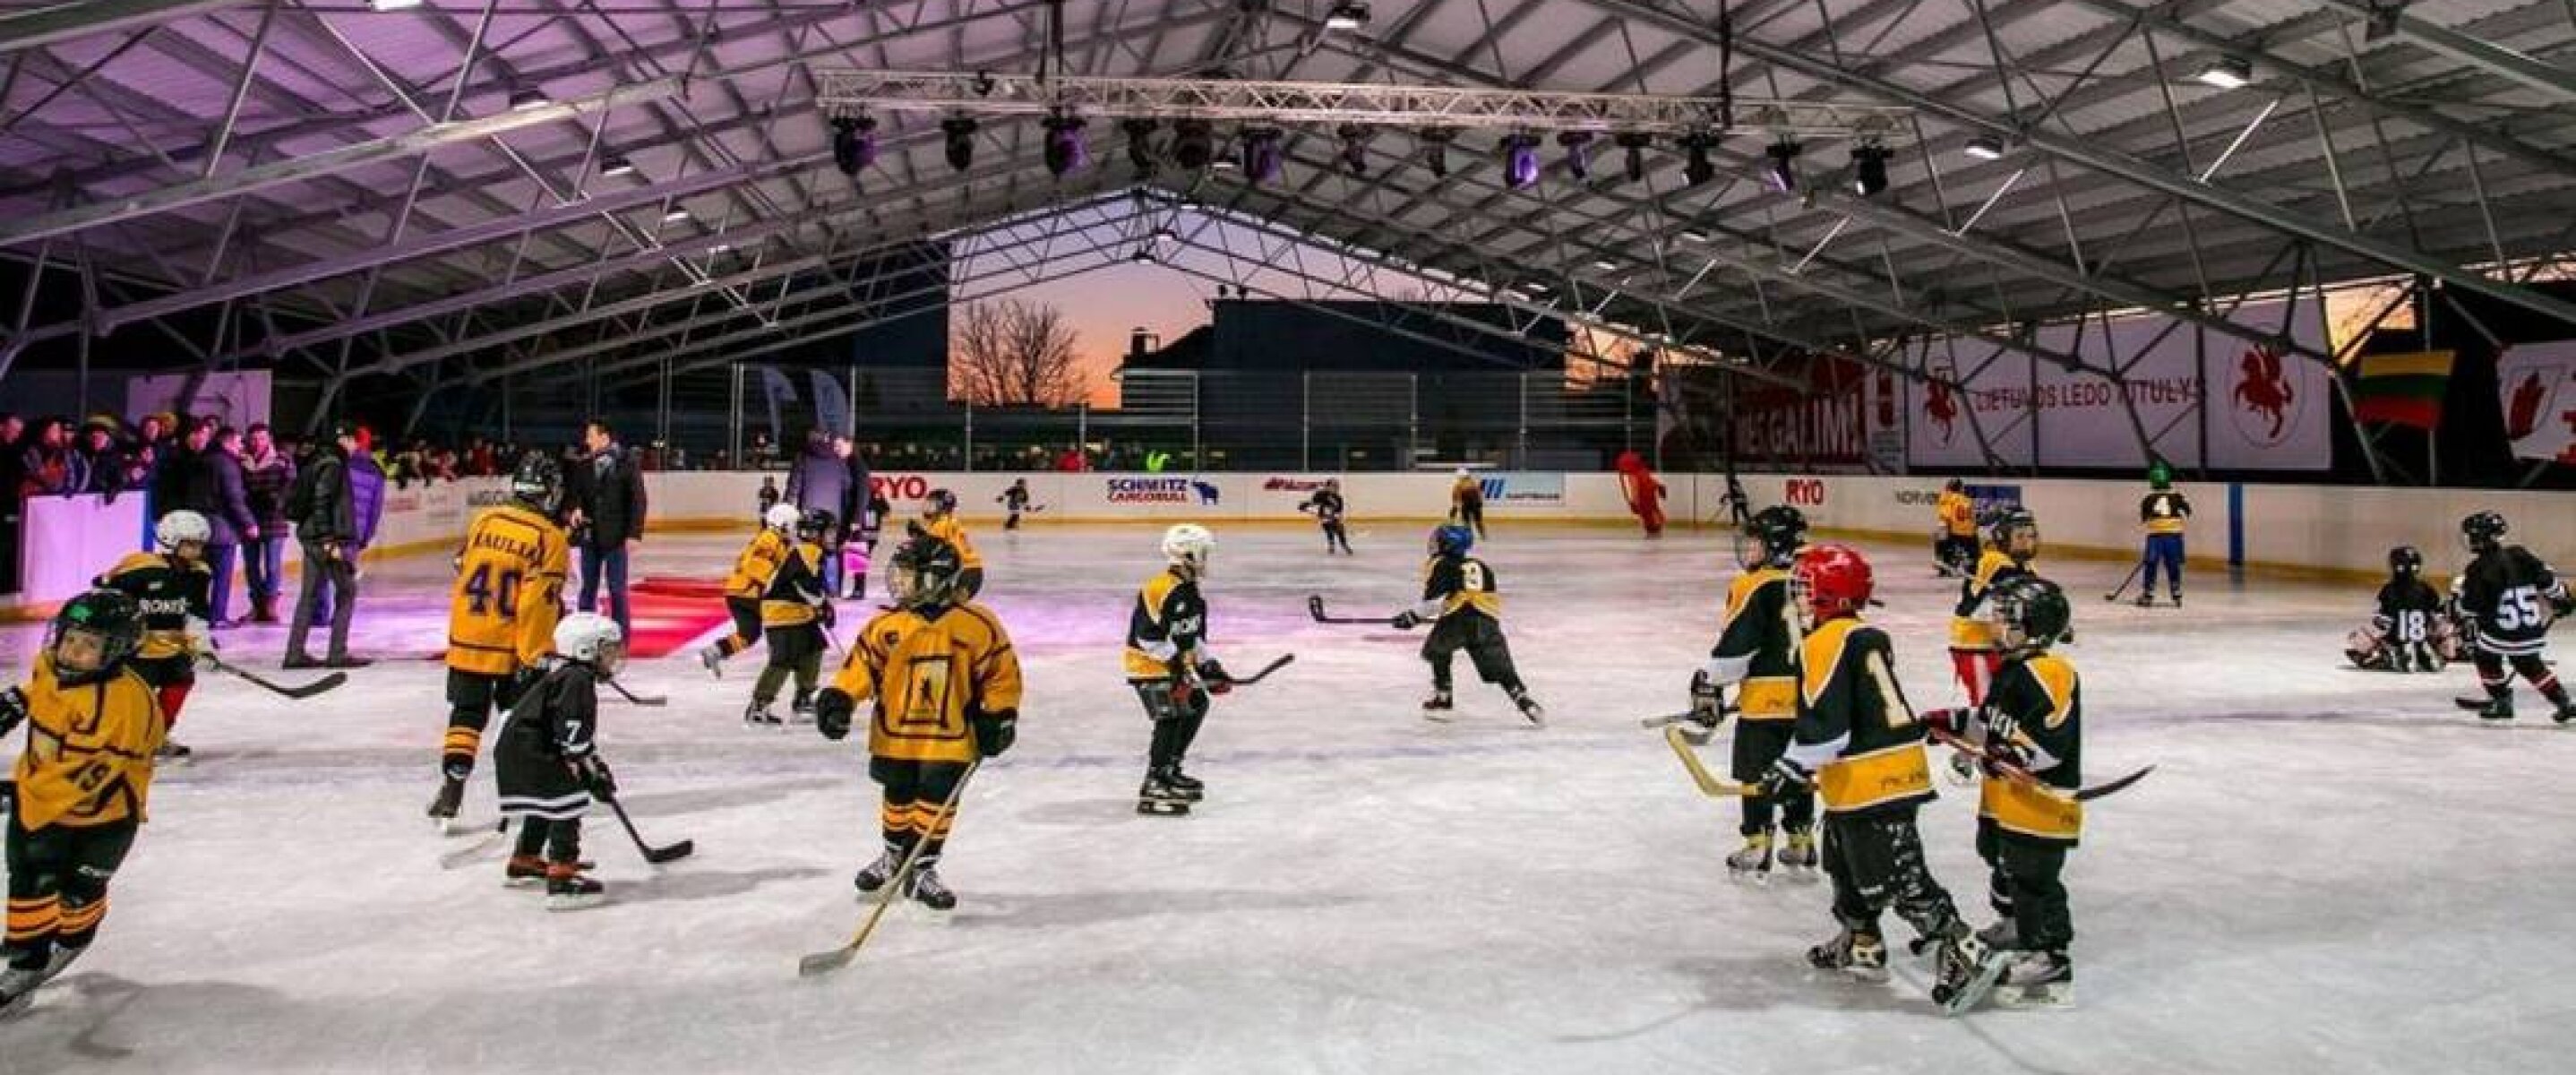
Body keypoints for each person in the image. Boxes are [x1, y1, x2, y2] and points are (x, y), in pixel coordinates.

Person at [1758, 543, 1989, 1004]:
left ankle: (1961, 946)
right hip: (1866, 777)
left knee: (1899, 879)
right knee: (1844, 866)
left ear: (1831, 594)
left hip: (1874, 780)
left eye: (1806, 588)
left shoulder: (1825, 641)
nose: (1799, 598)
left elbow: (1827, 725)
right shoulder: (1861, 635)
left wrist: (1791, 764)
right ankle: (1861, 941)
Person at [811, 534, 1023, 911]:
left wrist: (1000, 715)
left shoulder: (977, 625)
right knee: (898, 794)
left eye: (909, 575)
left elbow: (1001, 674)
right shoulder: (887, 625)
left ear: (936, 579)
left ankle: (922, 867)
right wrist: (841, 698)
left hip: (952, 737)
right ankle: (894, 856)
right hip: (896, 736)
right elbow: (861, 667)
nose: (899, 582)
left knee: (937, 801)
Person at [0, 589, 169, 1016]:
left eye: (89, 645)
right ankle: (27, 955)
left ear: (114, 652)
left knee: (77, 893)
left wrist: (17, 792)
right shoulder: (51, 666)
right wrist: (16, 703)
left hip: (102, 818)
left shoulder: (126, 706)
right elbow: (43, 686)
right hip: (39, 804)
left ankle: (75, 934)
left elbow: (91, 777)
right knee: (29, 876)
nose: (72, 650)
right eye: (70, 637)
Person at [1928, 574, 2084, 1009]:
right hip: (2003, 800)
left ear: (2035, 625)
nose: (1996, 626)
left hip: (2039, 804)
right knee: (1998, 857)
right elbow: (1990, 720)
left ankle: (2049, 956)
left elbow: (2050, 747)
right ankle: (2015, 923)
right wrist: (1949, 722)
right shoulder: (2011, 670)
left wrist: (2012, 756)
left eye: (2007, 619)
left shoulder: (2050, 673)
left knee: (2033, 876)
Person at [428, 453, 571, 826]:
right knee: (521, 721)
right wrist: (536, 654)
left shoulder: (485, 520)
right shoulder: (549, 538)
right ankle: (522, 795)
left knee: (466, 715)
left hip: (467, 635)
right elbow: (535, 604)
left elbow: (462, 565)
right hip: (510, 643)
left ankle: (452, 787)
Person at [1682, 505, 1815, 880]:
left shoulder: (1752, 585)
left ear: (1776, 546)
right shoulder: (1811, 578)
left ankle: (1757, 844)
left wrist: (1710, 682)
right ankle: (1801, 842)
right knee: (1799, 771)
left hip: (1765, 703)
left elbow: (1737, 649)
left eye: (1756, 544)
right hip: (1809, 698)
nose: (1749, 551)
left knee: (1756, 775)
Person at [494, 613, 623, 911]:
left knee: (546, 802)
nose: (612, 657)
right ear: (585, 650)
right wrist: (591, 772)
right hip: (530, 751)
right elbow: (572, 733)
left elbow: (568, 735)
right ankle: (562, 875)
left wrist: (591, 762)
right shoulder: (577, 679)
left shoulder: (567, 673)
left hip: (521, 749)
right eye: (606, 650)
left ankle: (524, 860)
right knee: (568, 801)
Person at [1126, 525, 1232, 816]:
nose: (1207, 559)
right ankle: (1155, 780)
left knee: (1197, 704)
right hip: (1148, 666)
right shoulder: (1161, 588)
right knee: (1172, 715)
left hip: (1171, 666)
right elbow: (1147, 637)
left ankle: (1170, 767)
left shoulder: (1192, 593)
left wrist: (1210, 667)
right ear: (1189, 553)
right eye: (1204, 552)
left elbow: (1192, 638)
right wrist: (1180, 671)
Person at [1394, 523, 1542, 725]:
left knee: (1438, 651)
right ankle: (1524, 700)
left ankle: (1443, 698)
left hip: (1458, 617)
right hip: (1487, 619)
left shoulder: (1441, 563)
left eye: (1438, 540)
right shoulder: (1482, 567)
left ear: (1446, 545)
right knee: (1499, 665)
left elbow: (1432, 602)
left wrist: (1411, 617)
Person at [2451, 512, 2575, 722]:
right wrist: (2563, 600)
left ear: (2479, 538)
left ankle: (2501, 702)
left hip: (2500, 634)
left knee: (2485, 658)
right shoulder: (2520, 555)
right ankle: (2563, 702)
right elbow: (2548, 581)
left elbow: (2472, 607)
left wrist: (2457, 608)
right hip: (2530, 632)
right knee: (2531, 666)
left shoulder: (2478, 568)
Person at [284, 424, 371, 670]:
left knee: (308, 596)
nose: (356, 448)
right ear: (345, 440)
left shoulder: (317, 459)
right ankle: (337, 654)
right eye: (355, 442)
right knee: (347, 591)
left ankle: (294, 654)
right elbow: (322, 501)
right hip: (324, 538)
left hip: (311, 535)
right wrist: (328, 540)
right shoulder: (333, 463)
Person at [743, 509, 832, 727]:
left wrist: (819, 607)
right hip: (782, 614)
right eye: (828, 532)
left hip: (798, 613)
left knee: (814, 646)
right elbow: (802, 582)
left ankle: (803, 699)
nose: (832, 537)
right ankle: (759, 706)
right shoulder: (808, 551)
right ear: (814, 534)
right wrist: (821, 605)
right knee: (783, 659)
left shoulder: (807, 550)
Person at [1949, 506, 2039, 707]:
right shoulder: (1995, 561)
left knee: (2004, 703)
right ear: (2002, 537)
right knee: (1986, 706)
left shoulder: (2025, 565)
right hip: (1974, 645)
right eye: (2020, 536)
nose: (2027, 541)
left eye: (2031, 535)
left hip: (2000, 645)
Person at [700, 503, 801, 680]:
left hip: (741, 593)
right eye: (793, 525)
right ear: (782, 524)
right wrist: (774, 583)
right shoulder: (769, 539)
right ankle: (782, 657)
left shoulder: (776, 540)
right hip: (748, 594)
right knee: (776, 623)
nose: (795, 530)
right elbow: (756, 566)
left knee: (749, 634)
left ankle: (715, 651)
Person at [566, 419, 647, 633]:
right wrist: (575, 509)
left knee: (617, 590)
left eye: (591, 436)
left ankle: (621, 636)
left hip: (617, 537)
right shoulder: (583, 465)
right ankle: (582, 635)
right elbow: (575, 496)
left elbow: (638, 500)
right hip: (590, 536)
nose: (587, 441)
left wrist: (634, 533)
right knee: (587, 589)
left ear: (605, 437)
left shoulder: (627, 463)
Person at [2347, 546, 2451, 673]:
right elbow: (2438, 618)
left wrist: (2372, 642)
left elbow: (2382, 624)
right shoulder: (2427, 589)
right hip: (2422, 640)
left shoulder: (2389, 590)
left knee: (2356, 636)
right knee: (2442, 631)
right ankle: (2425, 653)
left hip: (2397, 642)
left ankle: (2392, 656)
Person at [200, 426, 258, 629]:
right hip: (220, 528)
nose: (242, 446)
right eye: (239, 441)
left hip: (199, 525)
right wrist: (249, 523)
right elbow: (234, 498)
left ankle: (200, 614)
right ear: (228, 442)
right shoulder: (227, 465)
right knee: (222, 575)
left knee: (201, 574)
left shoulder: (204, 460)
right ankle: (218, 616)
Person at [786, 431, 855, 597]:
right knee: (830, 551)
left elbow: (794, 487)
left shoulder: (802, 458)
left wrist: (788, 510)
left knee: (809, 550)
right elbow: (847, 487)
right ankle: (831, 589)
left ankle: (809, 587)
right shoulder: (838, 460)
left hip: (809, 515)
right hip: (833, 514)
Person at [239, 424, 295, 624]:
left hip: (274, 519)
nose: (257, 442)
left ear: (269, 438)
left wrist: (278, 500)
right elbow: (238, 488)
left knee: (272, 564)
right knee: (251, 566)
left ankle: (270, 604)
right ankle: (257, 604)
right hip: (250, 519)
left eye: (261, 438)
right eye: (253, 438)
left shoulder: (282, 459)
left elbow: (291, 485)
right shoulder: (242, 461)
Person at [2135, 465, 2191, 607]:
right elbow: (2188, 511)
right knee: (2173, 564)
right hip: (2174, 536)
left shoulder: (2148, 499)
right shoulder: (2177, 496)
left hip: (2155, 536)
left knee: (2151, 563)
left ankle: (2148, 593)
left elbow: (2144, 519)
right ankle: (2176, 591)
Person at [915, 488, 984, 598]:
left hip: (963, 572)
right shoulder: (949, 521)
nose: (928, 509)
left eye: (932, 505)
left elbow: (930, 548)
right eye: (927, 504)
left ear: (943, 508)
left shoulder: (941, 524)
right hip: (971, 570)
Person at [1297, 479, 1353, 555]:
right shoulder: (1321, 494)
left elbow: (1339, 511)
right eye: (1334, 486)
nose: (1337, 488)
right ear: (1328, 486)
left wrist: (1337, 517)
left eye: (1337, 486)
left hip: (1333, 516)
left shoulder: (1339, 498)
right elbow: (1314, 502)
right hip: (1323, 515)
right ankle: (1331, 544)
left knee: (1340, 530)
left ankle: (1344, 544)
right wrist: (1305, 505)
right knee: (1328, 528)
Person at [1934, 478, 1978, 577]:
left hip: (1954, 529)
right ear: (1960, 488)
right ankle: (1972, 568)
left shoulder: (1947, 498)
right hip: (1969, 530)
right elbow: (1973, 517)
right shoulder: (1968, 499)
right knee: (1973, 550)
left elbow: (1946, 515)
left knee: (1943, 545)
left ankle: (1944, 568)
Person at [1448, 468, 1487, 539]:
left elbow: (1456, 498)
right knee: (1478, 520)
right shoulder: (1473, 483)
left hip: (1466, 504)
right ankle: (1483, 535)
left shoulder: (1458, 485)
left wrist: (1454, 509)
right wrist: (1480, 502)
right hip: (1476, 504)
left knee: (1466, 521)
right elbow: (1479, 494)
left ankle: (1469, 535)